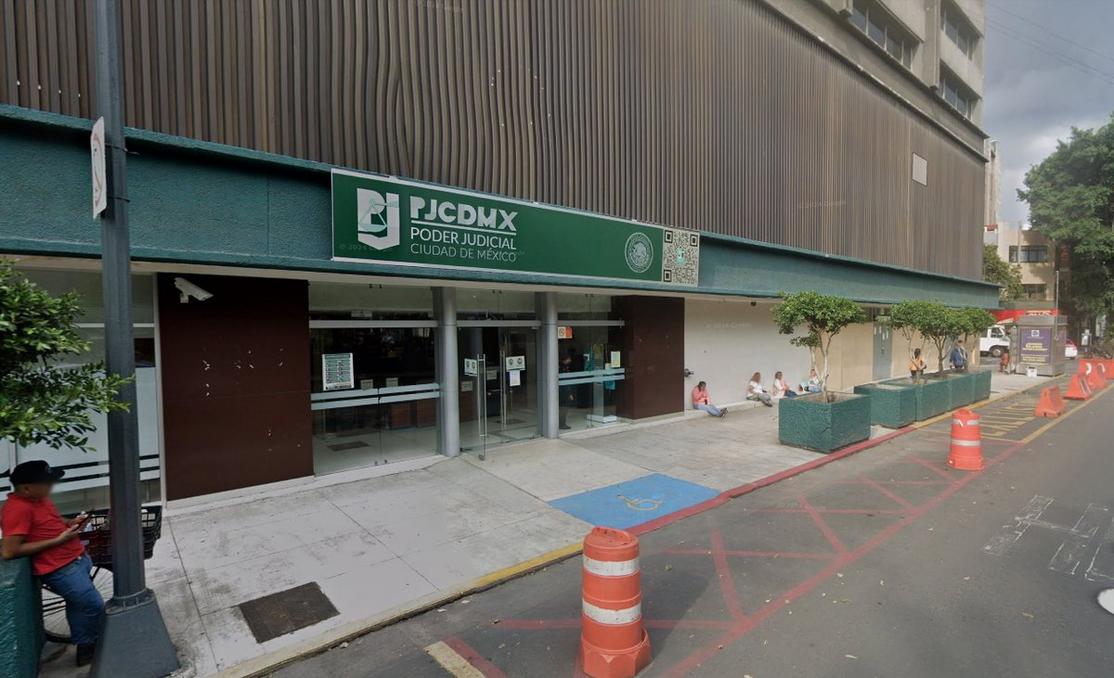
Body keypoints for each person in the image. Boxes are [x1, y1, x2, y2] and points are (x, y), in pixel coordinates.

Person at [1, 461, 103, 666]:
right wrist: (58, 540)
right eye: (46, 483)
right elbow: (9, 550)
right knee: (93, 605)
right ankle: (95, 644)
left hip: (76, 558)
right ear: (26, 488)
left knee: (78, 605)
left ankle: (86, 647)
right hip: (60, 569)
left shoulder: (39, 499)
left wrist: (69, 522)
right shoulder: (17, 509)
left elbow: (49, 519)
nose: (51, 486)